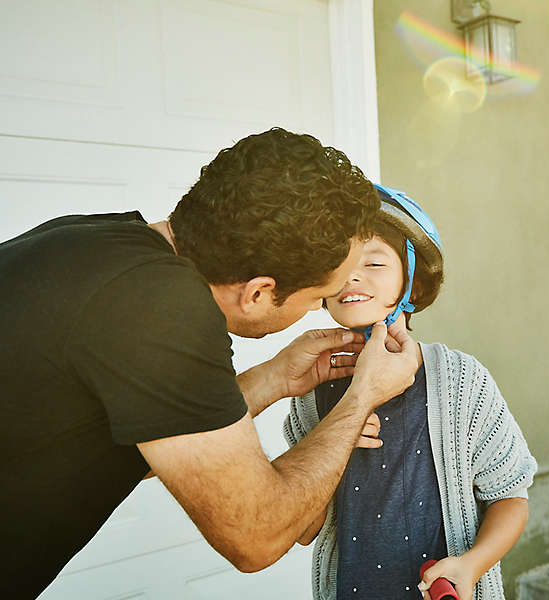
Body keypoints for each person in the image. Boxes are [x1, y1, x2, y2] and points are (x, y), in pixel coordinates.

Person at [0, 128, 420, 599]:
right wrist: (362, 397)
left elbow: (154, 443)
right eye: (317, 299)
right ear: (259, 292)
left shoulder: (100, 243)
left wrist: (274, 378)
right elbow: (256, 538)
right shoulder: (161, 310)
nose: (316, 311)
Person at [284, 184, 538, 600]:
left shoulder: (461, 381)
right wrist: (327, 444)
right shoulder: (313, 392)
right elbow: (304, 530)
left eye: (375, 262)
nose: (352, 275)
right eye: (339, 263)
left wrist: (471, 565)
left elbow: (510, 497)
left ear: (413, 286)